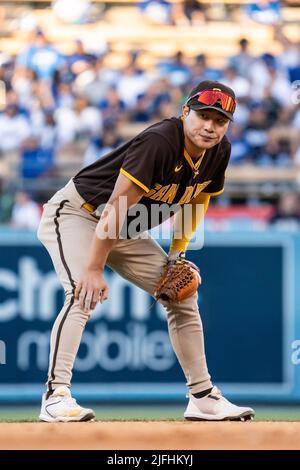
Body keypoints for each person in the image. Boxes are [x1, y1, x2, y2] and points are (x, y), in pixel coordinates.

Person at [37, 80, 255, 422]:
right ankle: (55, 395)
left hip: (123, 228)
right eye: (203, 116)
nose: (210, 127)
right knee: (82, 293)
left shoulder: (219, 151)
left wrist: (176, 255)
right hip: (79, 214)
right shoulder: (160, 141)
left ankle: (202, 397)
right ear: (185, 112)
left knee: (182, 295)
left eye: (220, 120)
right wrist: (94, 269)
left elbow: (198, 200)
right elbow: (115, 206)